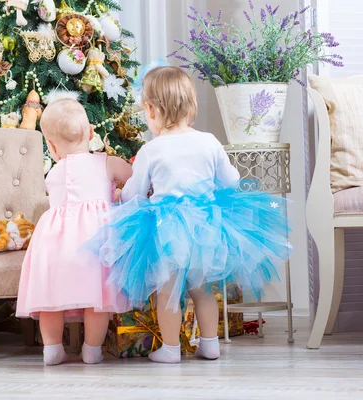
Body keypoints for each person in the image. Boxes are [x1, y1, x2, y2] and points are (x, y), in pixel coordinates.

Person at [86, 66, 292, 364]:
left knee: (167, 290)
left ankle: (170, 349)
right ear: (190, 105)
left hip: (165, 229)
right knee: (203, 290)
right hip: (206, 227)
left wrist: (121, 195)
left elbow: (134, 191)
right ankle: (210, 344)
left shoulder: (152, 149)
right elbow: (231, 181)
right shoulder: (209, 141)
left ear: (152, 109)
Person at [16, 98, 133, 366]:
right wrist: (118, 193)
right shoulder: (107, 163)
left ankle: (52, 349)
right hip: (96, 243)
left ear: (52, 147)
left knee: (50, 299)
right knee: (98, 300)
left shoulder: (54, 173)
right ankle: (92, 350)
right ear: (91, 133)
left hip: (55, 244)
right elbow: (134, 177)